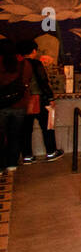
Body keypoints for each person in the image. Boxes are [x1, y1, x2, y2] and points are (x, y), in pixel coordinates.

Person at [17, 40, 62, 162]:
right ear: (33, 51)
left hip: (22, 101)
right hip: (39, 99)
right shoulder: (36, 64)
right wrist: (50, 98)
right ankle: (51, 152)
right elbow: (43, 81)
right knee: (48, 126)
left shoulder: (17, 64)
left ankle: (27, 156)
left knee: (25, 130)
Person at [0, 40, 35, 172]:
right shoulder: (24, 64)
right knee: (15, 135)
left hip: (1, 105)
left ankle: (0, 165)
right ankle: (12, 163)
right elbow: (27, 81)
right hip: (20, 104)